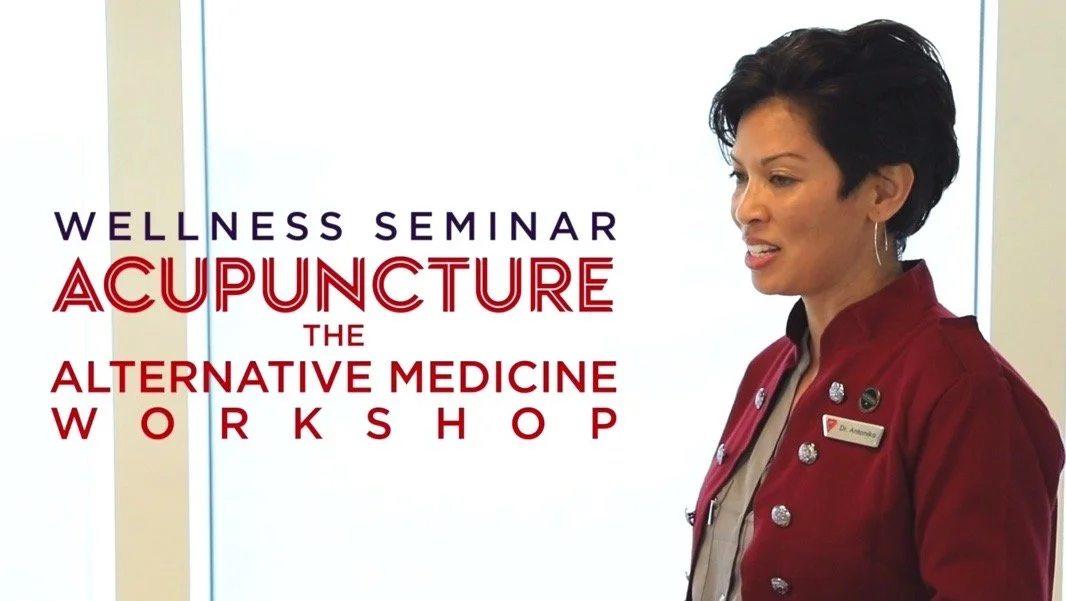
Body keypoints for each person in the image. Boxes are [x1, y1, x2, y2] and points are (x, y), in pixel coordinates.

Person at [685, 19, 1065, 601]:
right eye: (741, 176)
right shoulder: (769, 371)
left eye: (780, 178)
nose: (746, 208)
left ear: (884, 192)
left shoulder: (966, 391)